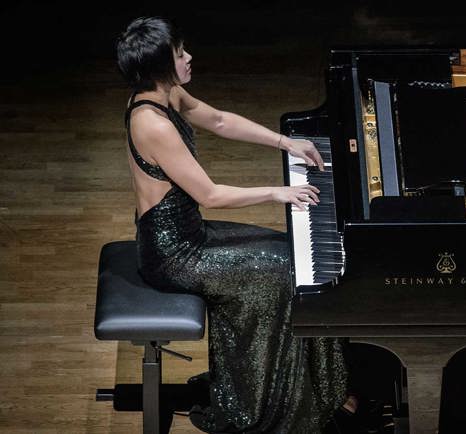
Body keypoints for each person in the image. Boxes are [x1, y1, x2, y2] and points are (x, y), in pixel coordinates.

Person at [115, 16, 358, 434]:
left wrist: (286, 142)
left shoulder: (166, 93)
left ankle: (319, 387)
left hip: (189, 234)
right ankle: (265, 399)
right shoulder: (151, 123)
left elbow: (221, 121)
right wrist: (276, 191)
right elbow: (209, 195)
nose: (189, 58)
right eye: (179, 54)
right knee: (284, 273)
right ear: (160, 67)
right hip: (174, 255)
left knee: (293, 254)